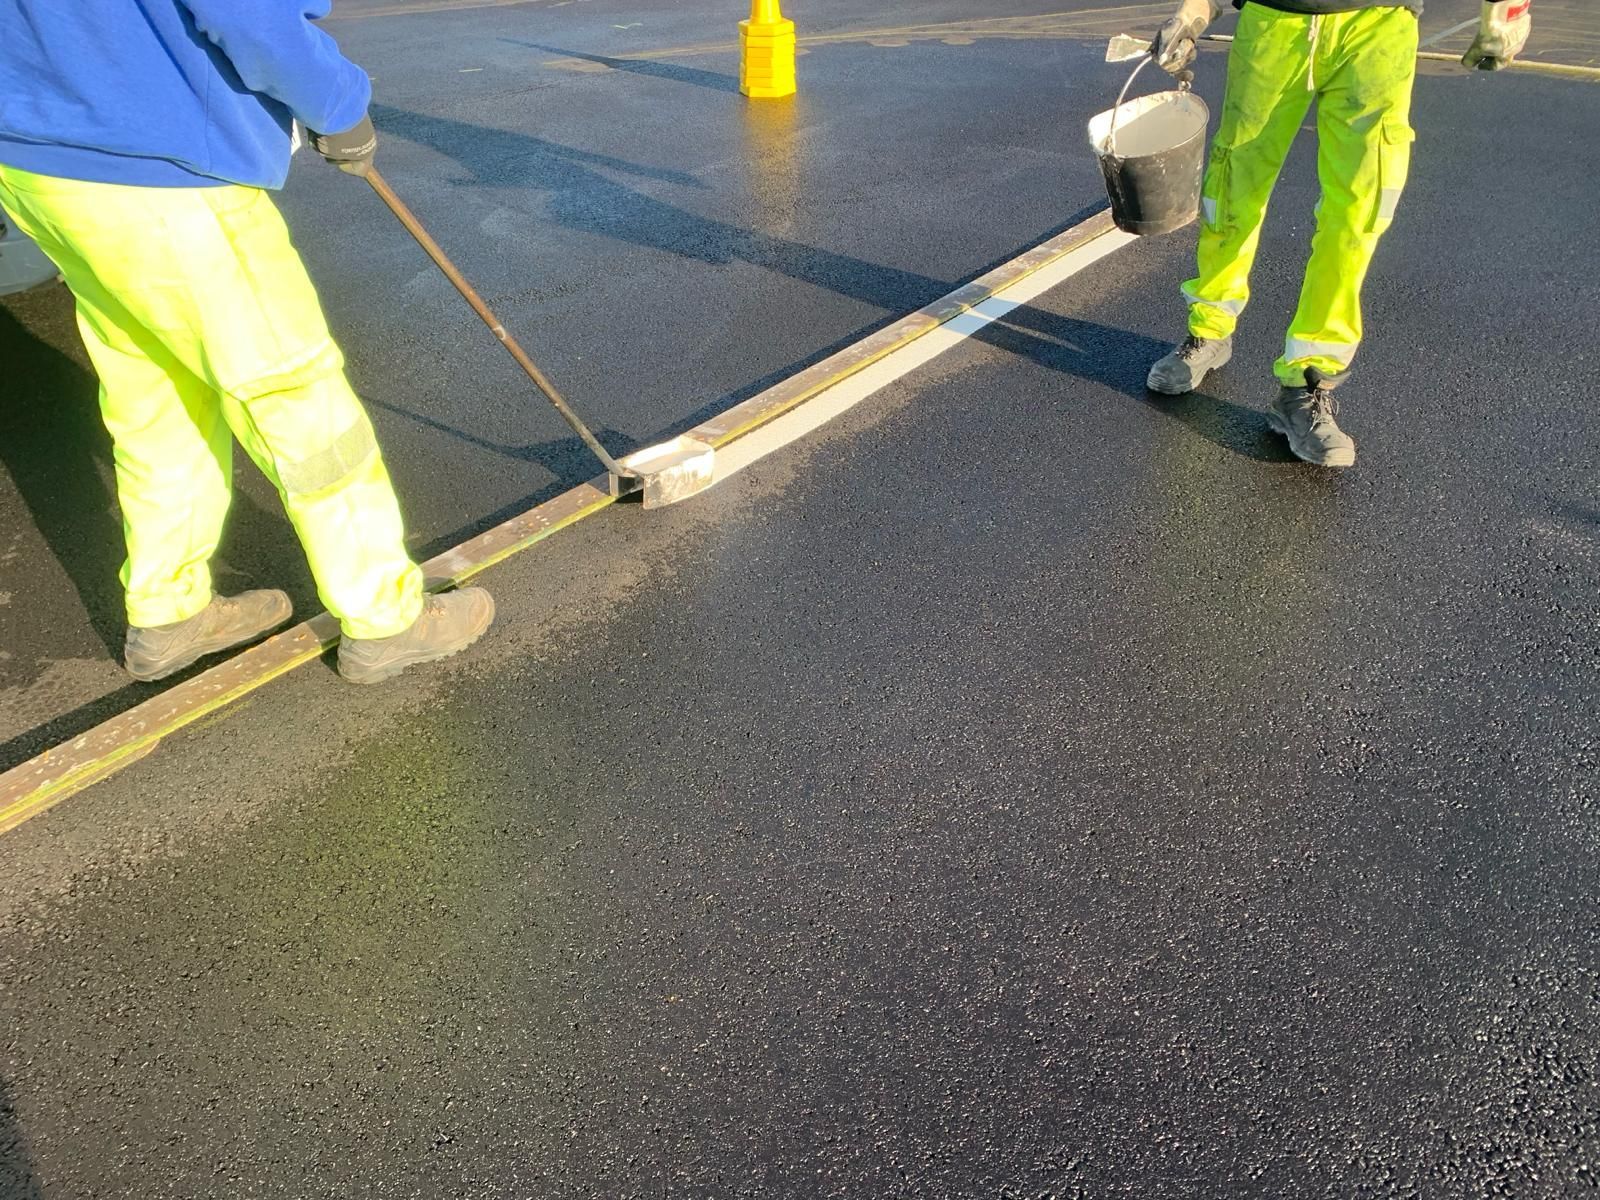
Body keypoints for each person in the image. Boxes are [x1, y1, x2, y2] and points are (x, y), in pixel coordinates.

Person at [0, 0, 493, 684]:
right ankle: (386, 616)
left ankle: (167, 610)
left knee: (157, 393)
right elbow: (249, 13)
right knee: (296, 400)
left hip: (39, 165)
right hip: (160, 169)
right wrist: (337, 105)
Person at [1144, 0, 1531, 467]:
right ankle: (1209, 329)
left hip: (1378, 26)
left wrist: (1505, 13)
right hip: (1275, 19)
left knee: (1358, 209)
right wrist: (1193, 10)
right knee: (1232, 189)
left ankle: (1306, 383)